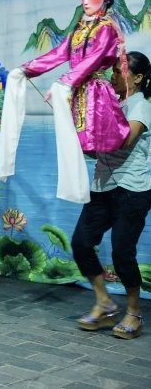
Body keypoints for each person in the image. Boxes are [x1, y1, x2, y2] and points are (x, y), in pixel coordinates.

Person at [19, 0, 129, 154]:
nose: (86, 2)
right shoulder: (80, 29)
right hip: (77, 91)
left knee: (97, 142)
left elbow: (93, 61)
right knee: (75, 148)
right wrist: (27, 69)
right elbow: (59, 53)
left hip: (95, 93)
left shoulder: (106, 29)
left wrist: (63, 82)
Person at [72, 51, 151, 339]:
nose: (114, 75)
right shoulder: (116, 103)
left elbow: (122, 141)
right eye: (114, 70)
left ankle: (134, 311)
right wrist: (76, 138)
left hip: (132, 191)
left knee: (122, 252)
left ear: (138, 78)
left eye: (120, 71)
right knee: (80, 242)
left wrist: (89, 135)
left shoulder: (140, 108)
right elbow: (96, 149)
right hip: (102, 188)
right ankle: (104, 302)